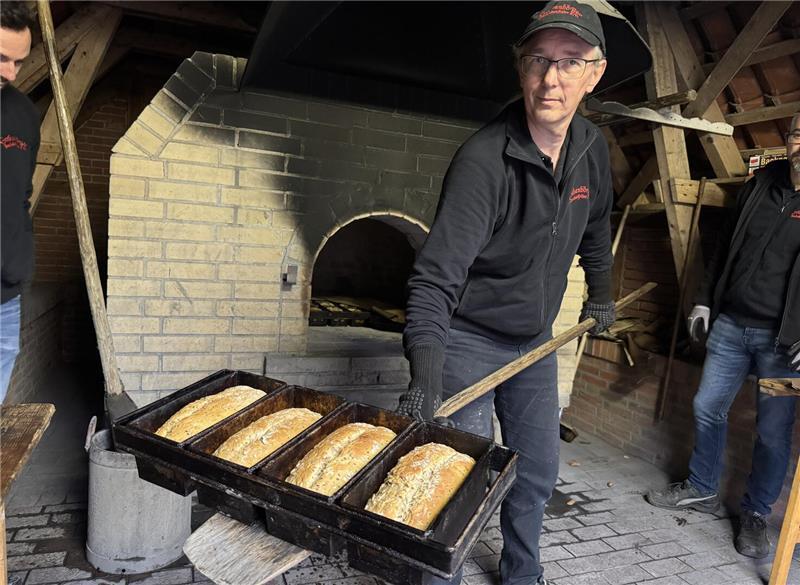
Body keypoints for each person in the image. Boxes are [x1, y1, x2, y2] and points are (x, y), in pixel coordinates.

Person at [397, 2, 615, 583]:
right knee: (457, 477)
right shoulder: (483, 161)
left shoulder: (592, 150)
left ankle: (523, 572)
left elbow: (596, 230)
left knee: (537, 471)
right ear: (520, 69)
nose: (551, 79)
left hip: (535, 343)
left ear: (594, 73)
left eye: (570, 63)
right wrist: (425, 372)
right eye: (539, 60)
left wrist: (602, 293)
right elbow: (434, 278)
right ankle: (439, 575)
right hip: (468, 340)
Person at [646, 113, 800, 559]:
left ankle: (755, 514)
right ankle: (701, 488)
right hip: (732, 326)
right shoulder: (759, 186)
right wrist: (704, 300)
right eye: (796, 135)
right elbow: (724, 248)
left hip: (783, 347)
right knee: (707, 406)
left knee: (773, 431)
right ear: (787, 141)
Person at [1, 0, 39, 403]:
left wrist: (18, 262)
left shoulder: (23, 113)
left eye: (19, 62)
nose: (10, 73)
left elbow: (20, 194)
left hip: (3, 295)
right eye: (0, 58)